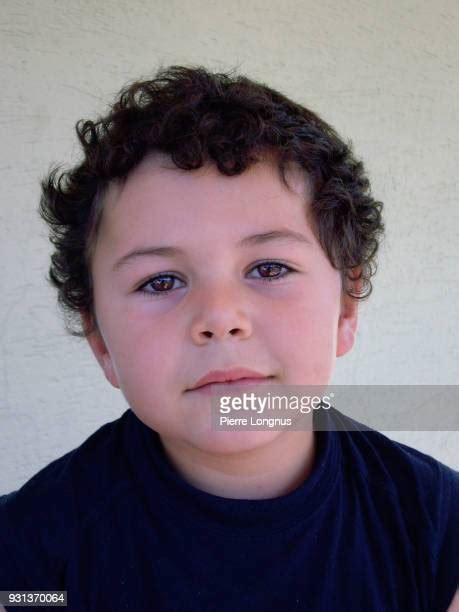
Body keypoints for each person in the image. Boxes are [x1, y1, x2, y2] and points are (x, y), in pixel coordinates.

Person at [0, 65, 457, 612]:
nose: (219, 317)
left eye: (268, 268)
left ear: (346, 305)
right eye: (160, 281)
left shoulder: (437, 531)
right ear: (100, 341)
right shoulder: (30, 558)